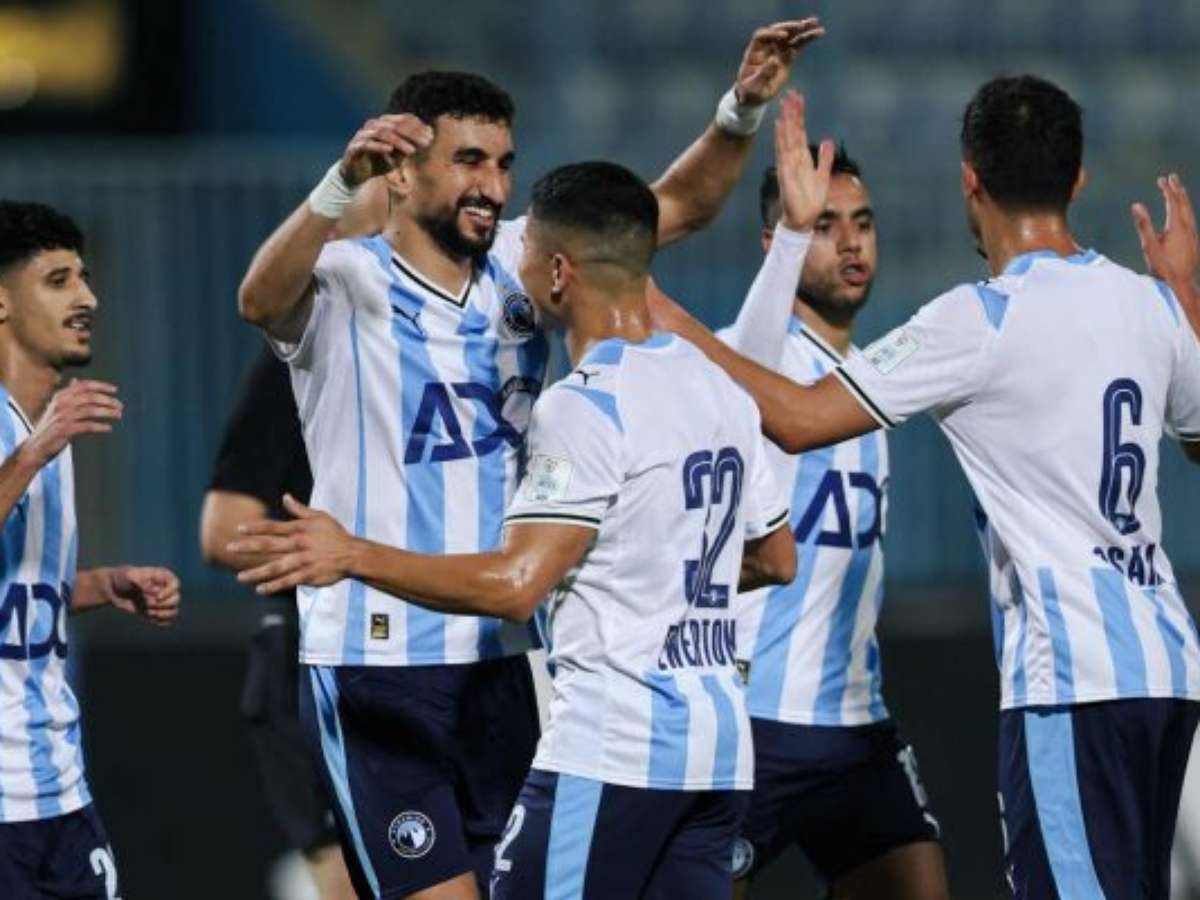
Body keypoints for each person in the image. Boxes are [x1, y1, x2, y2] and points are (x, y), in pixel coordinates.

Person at [235, 19, 823, 900]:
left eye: (504, 164)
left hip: (505, 655)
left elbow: (676, 207)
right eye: (469, 161)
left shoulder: (526, 259)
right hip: (374, 659)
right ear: (402, 172)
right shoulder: (347, 278)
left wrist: (738, 110)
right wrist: (336, 186)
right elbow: (258, 299)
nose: (492, 184)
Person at [652, 76, 1200, 899]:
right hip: (1167, 667)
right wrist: (1185, 295)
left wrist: (653, 308)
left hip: (1074, 675)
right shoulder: (1147, 304)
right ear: (1079, 179)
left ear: (970, 180)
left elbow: (798, 418)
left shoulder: (979, 318)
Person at [719, 147, 947, 898]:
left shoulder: (869, 382)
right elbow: (741, 355)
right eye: (824, 226)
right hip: (753, 720)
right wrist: (792, 236)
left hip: (855, 725)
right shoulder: (754, 360)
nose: (851, 243)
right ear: (778, 243)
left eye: (863, 223)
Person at [0, 200, 181, 898]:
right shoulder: (40, 440)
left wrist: (101, 585)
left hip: (59, 791)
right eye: (58, 280)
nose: (88, 298)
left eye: (84, 278)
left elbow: (18, 589)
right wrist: (33, 452)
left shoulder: (52, 427)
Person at [199, 348, 355, 900]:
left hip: (462, 667)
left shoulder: (485, 350)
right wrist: (367, 564)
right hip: (320, 668)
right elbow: (224, 531)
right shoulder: (301, 359)